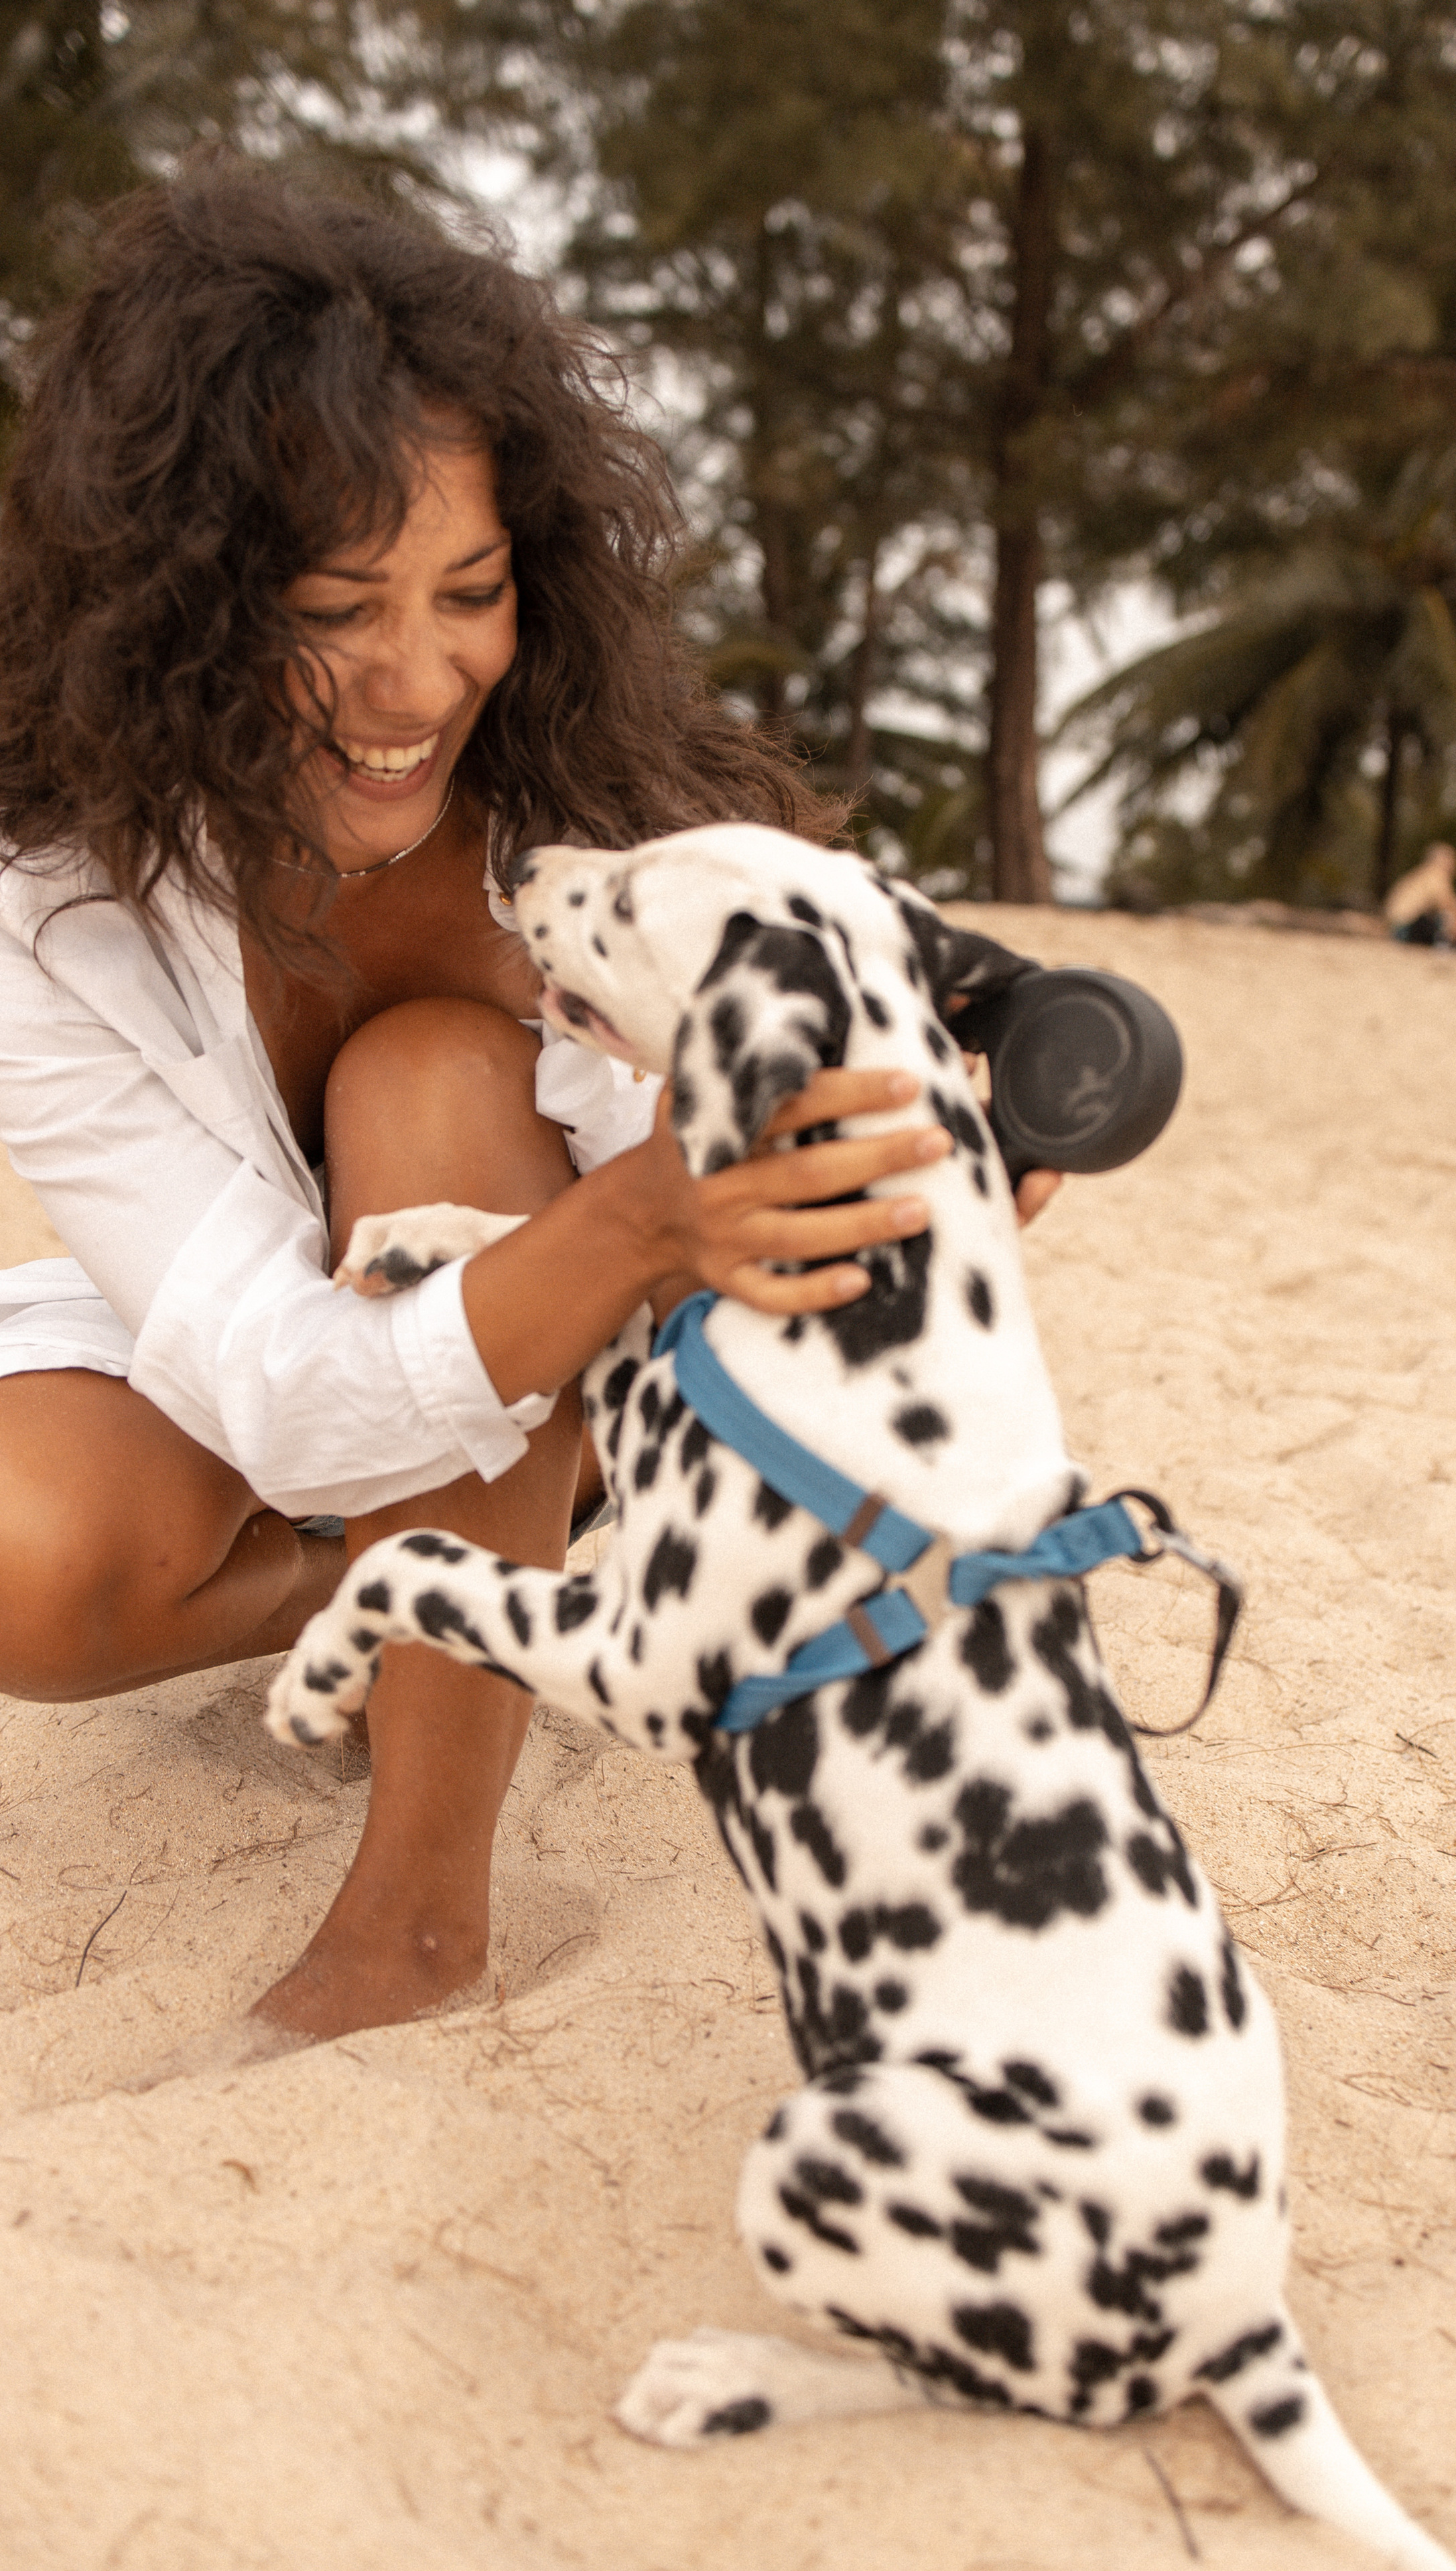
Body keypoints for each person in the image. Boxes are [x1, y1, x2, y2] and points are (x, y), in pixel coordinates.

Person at [0, 166, 1059, 2056]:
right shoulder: (45, 906)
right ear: (166, 609)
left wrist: (898, 1154)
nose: (419, 685)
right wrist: (637, 1214)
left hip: (626, 1396)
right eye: (338, 609)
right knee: (30, 1557)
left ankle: (419, 1907)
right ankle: (428, 1583)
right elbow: (274, 1378)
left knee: (429, 1069)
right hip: (298, 1330)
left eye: (471, 592)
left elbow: (809, 1224)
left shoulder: (605, 815)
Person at [1383, 842, 1456, 947]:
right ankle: (1444, 945)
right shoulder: (1436, 875)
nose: (1454, 864)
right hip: (1405, 927)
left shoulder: (1421, 874)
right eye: (1451, 859)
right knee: (1447, 917)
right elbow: (1447, 904)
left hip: (1396, 926)